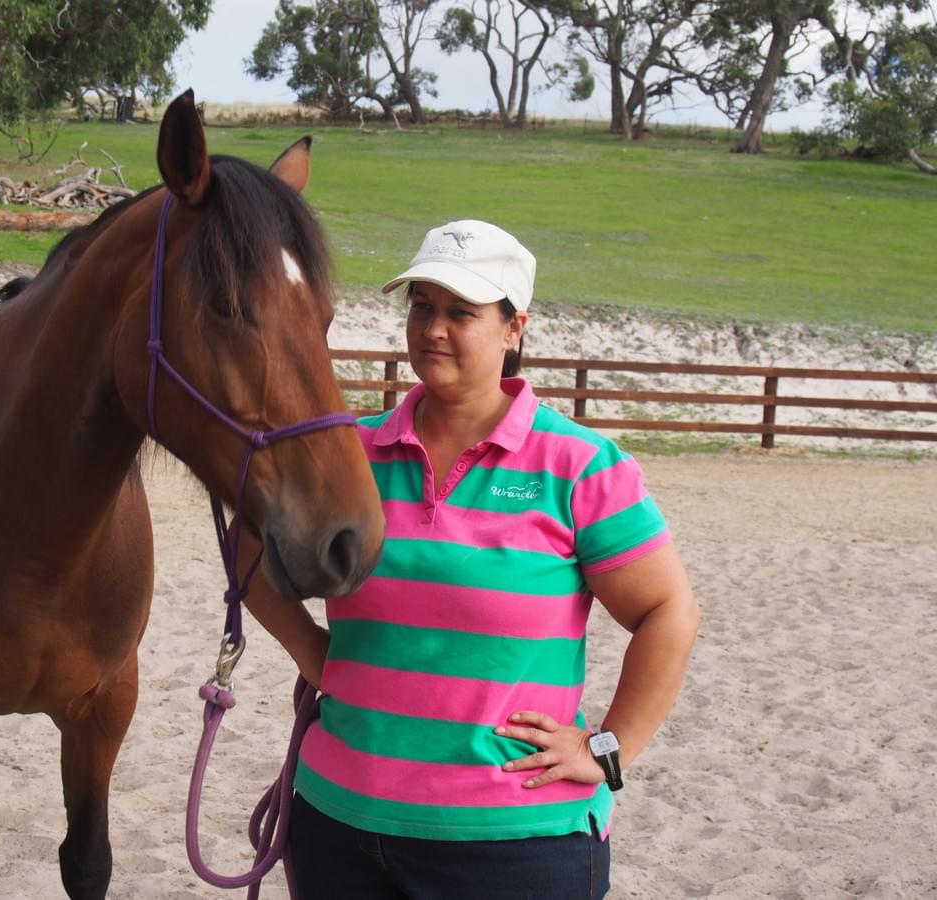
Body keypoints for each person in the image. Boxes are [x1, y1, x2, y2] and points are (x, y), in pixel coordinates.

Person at [242, 219, 700, 899]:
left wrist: (607, 749)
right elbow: (247, 546)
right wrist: (313, 650)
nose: (433, 328)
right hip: (338, 823)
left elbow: (670, 612)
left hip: (517, 845)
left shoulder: (580, 467)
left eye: (462, 312)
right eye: (422, 306)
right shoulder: (351, 453)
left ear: (515, 327)